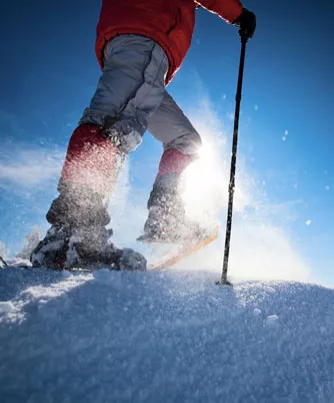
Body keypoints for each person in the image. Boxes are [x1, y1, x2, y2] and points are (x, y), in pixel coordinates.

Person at [30, 0, 256, 271]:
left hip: (143, 50)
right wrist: (239, 15)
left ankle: (164, 217)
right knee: (110, 126)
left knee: (185, 141)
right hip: (146, 37)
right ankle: (73, 233)